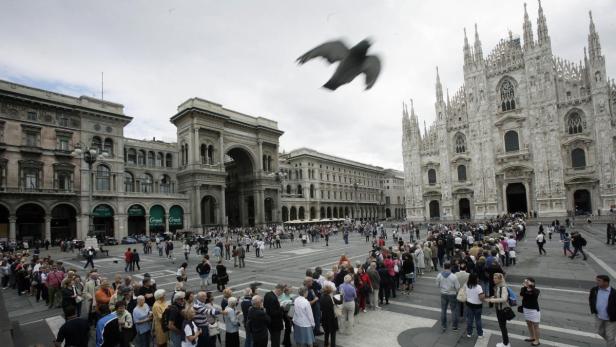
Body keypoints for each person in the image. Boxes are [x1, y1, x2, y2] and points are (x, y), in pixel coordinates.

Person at [485, 273, 511, 347]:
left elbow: (504, 299)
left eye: (495, 278)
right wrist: (493, 297)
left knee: (503, 326)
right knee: (502, 326)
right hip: (499, 309)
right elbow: (499, 296)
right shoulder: (498, 286)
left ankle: (506, 343)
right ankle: (505, 342)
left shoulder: (503, 287)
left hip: (502, 310)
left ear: (500, 279)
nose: (494, 279)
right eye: (493, 278)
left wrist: (492, 300)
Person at [589, 274, 616, 346]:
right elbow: (591, 299)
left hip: (611, 318)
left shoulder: (614, 293)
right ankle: (611, 343)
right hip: (598, 316)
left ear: (606, 282)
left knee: (610, 336)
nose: (596, 282)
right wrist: (593, 309)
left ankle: (611, 343)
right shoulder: (594, 290)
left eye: (599, 281)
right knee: (600, 332)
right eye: (596, 280)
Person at [436, 262, 460, 332]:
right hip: (452, 294)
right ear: (450, 267)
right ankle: (454, 327)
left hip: (443, 294)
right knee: (454, 310)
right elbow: (458, 287)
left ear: (444, 267)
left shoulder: (439, 275)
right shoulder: (453, 276)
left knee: (443, 310)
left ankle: (444, 325)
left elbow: (437, 285)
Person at [520, 278, 541, 346]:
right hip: (526, 309)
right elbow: (521, 294)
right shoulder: (523, 289)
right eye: (525, 281)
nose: (525, 282)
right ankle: (532, 337)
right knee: (529, 324)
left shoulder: (536, 290)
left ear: (532, 283)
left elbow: (534, 295)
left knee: (536, 325)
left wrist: (530, 286)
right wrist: (526, 287)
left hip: (534, 310)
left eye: (527, 281)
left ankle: (537, 340)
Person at [464, 273, 484, 338]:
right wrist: (484, 297)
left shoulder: (467, 285)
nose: (478, 279)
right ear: (475, 279)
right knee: (478, 320)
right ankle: (480, 334)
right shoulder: (479, 287)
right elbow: (481, 297)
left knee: (470, 319)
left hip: (469, 304)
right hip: (477, 306)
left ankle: (469, 333)